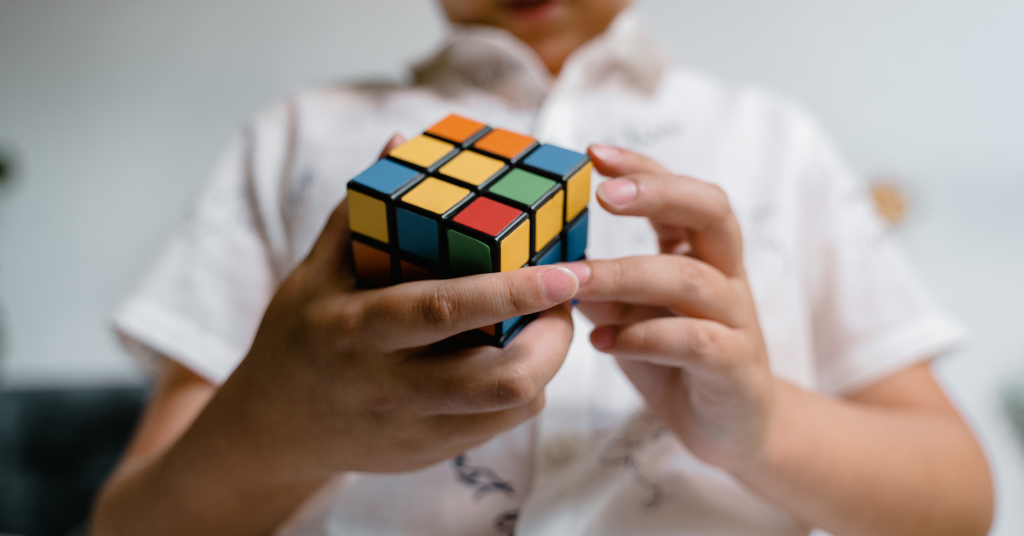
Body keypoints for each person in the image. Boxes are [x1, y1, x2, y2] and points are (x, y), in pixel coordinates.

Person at [91, 1, 994, 535]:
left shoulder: (776, 139)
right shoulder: (293, 134)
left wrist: (758, 432)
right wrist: (280, 429)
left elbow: (958, 500)